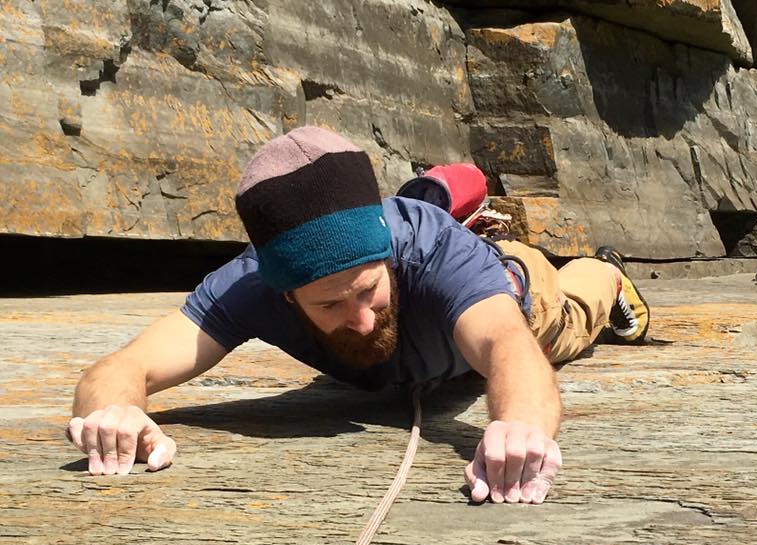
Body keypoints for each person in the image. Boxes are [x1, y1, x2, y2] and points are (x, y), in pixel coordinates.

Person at [67, 127, 648, 504]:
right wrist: (114, 414)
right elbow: (122, 367)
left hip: (521, 296)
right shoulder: (250, 284)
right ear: (284, 294)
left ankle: (605, 271)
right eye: (328, 304)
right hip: (426, 319)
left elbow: (503, 342)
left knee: (576, 307)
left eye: (368, 289)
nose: (362, 319)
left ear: (388, 258)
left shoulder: (431, 252)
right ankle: (432, 193)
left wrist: (520, 424)